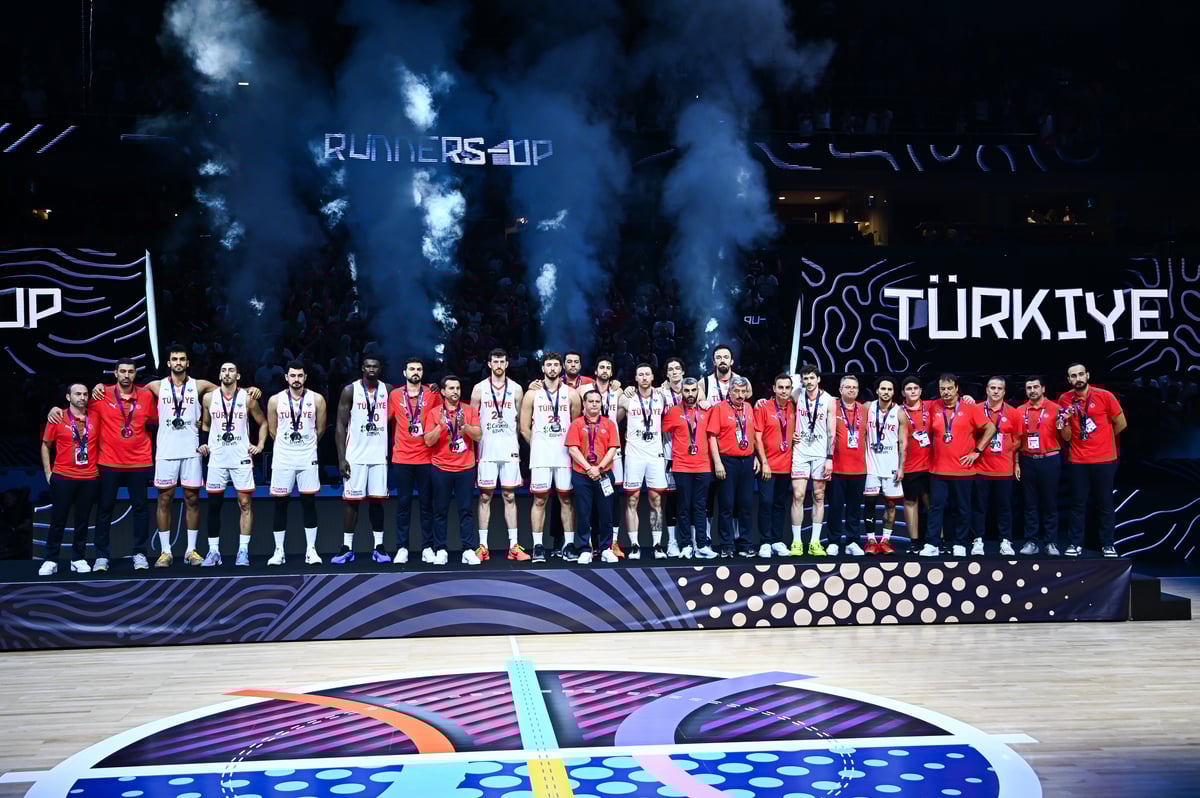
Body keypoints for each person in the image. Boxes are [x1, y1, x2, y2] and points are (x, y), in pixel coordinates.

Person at [50, 358, 157, 571]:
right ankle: (101, 556)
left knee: (141, 509)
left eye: (131, 371)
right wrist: (55, 408)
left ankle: (140, 553)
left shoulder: (146, 396)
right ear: (115, 373)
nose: (126, 375)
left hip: (138, 462)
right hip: (108, 462)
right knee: (105, 509)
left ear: (136, 374)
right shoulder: (101, 394)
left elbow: (155, 422)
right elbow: (76, 407)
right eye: (122, 371)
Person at [198, 362, 267, 566]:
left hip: (240, 457)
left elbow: (263, 422)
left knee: (245, 504)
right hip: (217, 457)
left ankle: (243, 551)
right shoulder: (209, 398)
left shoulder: (247, 398)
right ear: (219, 375)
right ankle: (213, 552)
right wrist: (203, 443)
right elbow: (205, 424)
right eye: (223, 370)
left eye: (231, 370)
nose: (227, 373)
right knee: (214, 505)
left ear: (238, 376)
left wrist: (260, 445)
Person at [1057, 363, 1127, 557]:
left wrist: (1104, 440)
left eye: (1081, 374)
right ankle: (1075, 544)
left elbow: (1121, 423)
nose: (1078, 378)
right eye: (1073, 376)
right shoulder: (1064, 399)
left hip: (1104, 459)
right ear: (1069, 380)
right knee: (1077, 504)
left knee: (1105, 503)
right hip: (1078, 460)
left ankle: (1108, 545)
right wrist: (1065, 421)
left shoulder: (1105, 396)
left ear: (1087, 375)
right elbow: (1066, 437)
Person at [923, 374, 995, 557]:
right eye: (942, 389)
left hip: (963, 470)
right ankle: (932, 544)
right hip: (938, 469)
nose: (946, 392)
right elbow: (912, 404)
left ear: (957, 389)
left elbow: (991, 428)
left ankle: (960, 544)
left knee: (963, 508)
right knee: (935, 508)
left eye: (949, 388)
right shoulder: (933, 406)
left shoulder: (969, 407)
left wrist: (977, 451)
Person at [520, 352, 580, 562]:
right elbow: (524, 428)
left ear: (561, 368)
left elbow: (575, 425)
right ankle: (537, 546)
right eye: (549, 365)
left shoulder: (571, 394)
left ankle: (569, 544)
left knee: (566, 498)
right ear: (543, 368)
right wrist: (538, 446)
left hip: (564, 455)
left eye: (556, 365)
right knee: (539, 499)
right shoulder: (532, 394)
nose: (552, 368)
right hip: (541, 456)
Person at [266, 361, 327, 565]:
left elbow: (320, 429)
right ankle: (278, 552)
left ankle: (311, 550)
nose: (296, 379)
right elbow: (273, 431)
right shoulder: (275, 400)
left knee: (309, 502)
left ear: (305, 377)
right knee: (280, 504)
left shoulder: (317, 399)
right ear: (286, 378)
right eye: (292, 375)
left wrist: (305, 444)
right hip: (283, 457)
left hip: (307, 456)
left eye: (300, 375)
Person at [333, 355, 392, 564]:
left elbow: (409, 399)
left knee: (377, 502)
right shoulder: (350, 390)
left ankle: (379, 547)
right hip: (355, 456)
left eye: (375, 366)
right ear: (362, 368)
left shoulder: (388, 390)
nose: (371, 369)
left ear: (380, 369)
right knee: (352, 502)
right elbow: (340, 425)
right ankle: (347, 547)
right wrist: (341, 458)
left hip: (379, 456)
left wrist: (431, 388)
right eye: (368, 366)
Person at [39, 383, 99, 575]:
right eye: (77, 394)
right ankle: (51, 559)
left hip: (89, 477)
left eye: (85, 394)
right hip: (63, 476)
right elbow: (45, 445)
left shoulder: (96, 417)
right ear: (68, 397)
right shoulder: (57, 417)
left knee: (82, 520)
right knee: (58, 520)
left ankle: (78, 558)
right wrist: (48, 473)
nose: (82, 397)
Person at [471, 348, 525, 561]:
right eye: (495, 361)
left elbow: (520, 421)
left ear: (507, 364)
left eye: (502, 361)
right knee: (485, 496)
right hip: (487, 449)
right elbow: (473, 420)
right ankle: (483, 546)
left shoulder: (517, 389)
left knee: (509, 496)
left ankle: (514, 546)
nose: (499, 365)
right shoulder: (479, 389)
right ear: (489, 364)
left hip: (509, 449)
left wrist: (515, 445)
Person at [424, 375, 484, 565]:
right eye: (451, 388)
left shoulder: (469, 410)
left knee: (465, 510)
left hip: (465, 468)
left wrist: (464, 425)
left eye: (457, 388)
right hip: (441, 468)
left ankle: (468, 549)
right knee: (440, 511)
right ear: (443, 391)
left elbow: (478, 436)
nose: (455, 391)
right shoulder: (434, 413)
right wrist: (441, 426)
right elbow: (428, 441)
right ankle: (440, 549)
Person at [391, 357, 441, 564]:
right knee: (403, 504)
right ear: (404, 372)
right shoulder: (394, 395)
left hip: (426, 458)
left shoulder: (432, 393)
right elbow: (385, 421)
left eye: (419, 369)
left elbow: (440, 419)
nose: (415, 372)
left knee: (426, 505)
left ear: (423, 372)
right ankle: (402, 548)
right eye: (411, 369)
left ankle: (427, 547)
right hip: (402, 457)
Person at [618, 364, 668, 559]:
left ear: (653, 377)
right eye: (641, 375)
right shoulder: (626, 397)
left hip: (655, 454)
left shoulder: (661, 396)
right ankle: (634, 545)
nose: (645, 377)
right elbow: (614, 420)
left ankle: (657, 544)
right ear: (636, 378)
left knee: (656, 499)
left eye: (647, 374)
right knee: (632, 499)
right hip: (634, 454)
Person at [566, 388, 621, 564]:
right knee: (583, 513)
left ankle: (605, 549)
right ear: (584, 403)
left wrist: (600, 467)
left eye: (598, 401)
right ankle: (584, 549)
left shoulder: (609, 424)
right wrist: (589, 467)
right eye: (591, 401)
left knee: (606, 514)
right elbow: (572, 449)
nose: (594, 404)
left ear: (601, 404)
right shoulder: (576, 424)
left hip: (604, 475)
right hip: (582, 475)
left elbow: (613, 448)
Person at [707, 376, 760, 557]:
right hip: (727, 461)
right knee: (726, 505)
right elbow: (712, 437)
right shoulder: (720, 408)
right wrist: (717, 462)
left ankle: (745, 543)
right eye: (736, 391)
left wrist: (755, 456)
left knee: (746, 504)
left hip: (747, 461)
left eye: (743, 391)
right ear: (729, 391)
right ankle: (727, 544)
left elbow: (751, 435)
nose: (740, 395)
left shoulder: (748, 408)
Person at [663, 377, 715, 558]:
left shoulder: (707, 410)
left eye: (693, 390)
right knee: (683, 507)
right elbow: (661, 433)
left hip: (704, 466)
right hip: (681, 466)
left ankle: (701, 544)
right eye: (687, 390)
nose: (690, 394)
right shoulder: (673, 412)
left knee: (700, 507)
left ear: (698, 391)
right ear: (681, 392)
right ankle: (686, 544)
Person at [788, 365, 835, 556]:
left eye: (811, 378)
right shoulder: (796, 394)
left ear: (818, 379)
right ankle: (797, 542)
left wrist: (830, 458)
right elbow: (780, 404)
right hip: (800, 452)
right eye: (805, 378)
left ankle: (815, 542)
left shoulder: (828, 400)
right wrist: (762, 401)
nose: (808, 382)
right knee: (798, 495)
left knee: (819, 496)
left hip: (820, 454)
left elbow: (831, 432)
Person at [1016, 376, 1065, 556]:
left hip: (1050, 459)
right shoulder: (1019, 411)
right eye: (1029, 388)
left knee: (1049, 503)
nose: (1032, 390)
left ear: (1043, 389)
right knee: (1029, 503)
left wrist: (1064, 424)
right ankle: (1031, 541)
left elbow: (1067, 437)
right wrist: (1016, 463)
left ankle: (1051, 542)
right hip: (1027, 459)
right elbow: (1015, 440)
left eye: (1036, 387)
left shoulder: (1056, 408)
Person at [971, 376, 1019, 556]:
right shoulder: (976, 409)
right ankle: (977, 540)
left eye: (999, 388)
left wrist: (1014, 461)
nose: (996, 391)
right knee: (979, 507)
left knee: (1004, 508)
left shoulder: (1013, 412)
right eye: (992, 388)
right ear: (986, 390)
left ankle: (1006, 541)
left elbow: (1018, 440)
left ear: (1004, 391)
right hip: (980, 468)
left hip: (1003, 469)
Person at [863, 377, 907, 554]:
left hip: (891, 466)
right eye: (883, 388)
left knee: (890, 504)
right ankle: (871, 540)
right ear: (877, 391)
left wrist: (901, 467)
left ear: (893, 392)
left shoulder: (899, 412)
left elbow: (902, 443)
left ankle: (885, 540)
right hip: (871, 465)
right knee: (870, 503)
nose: (886, 392)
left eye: (889, 389)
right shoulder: (868, 407)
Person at [754, 373, 796, 558]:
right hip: (768, 466)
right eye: (780, 387)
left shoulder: (794, 407)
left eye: (787, 388)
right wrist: (764, 463)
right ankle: (765, 542)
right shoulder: (764, 407)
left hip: (786, 466)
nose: (784, 391)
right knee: (766, 502)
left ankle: (777, 540)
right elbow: (757, 437)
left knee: (780, 504)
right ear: (774, 388)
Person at [827, 375, 867, 556]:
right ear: (840, 390)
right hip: (837, 467)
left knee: (854, 508)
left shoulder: (865, 409)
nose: (851, 390)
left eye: (854, 387)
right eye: (848, 387)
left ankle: (853, 541)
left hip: (859, 468)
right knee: (835, 507)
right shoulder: (831, 406)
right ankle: (833, 541)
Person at [593, 356, 624, 549]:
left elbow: (621, 415)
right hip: (591, 452)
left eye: (608, 368)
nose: (605, 370)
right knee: (592, 497)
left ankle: (613, 541)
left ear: (612, 373)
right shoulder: (584, 390)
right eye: (601, 367)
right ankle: (592, 542)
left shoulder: (618, 392)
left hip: (614, 452)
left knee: (613, 496)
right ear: (595, 371)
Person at [900, 376, 933, 554]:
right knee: (910, 502)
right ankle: (914, 542)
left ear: (920, 391)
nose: (912, 391)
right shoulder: (898, 411)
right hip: (909, 466)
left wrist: (968, 398)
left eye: (915, 388)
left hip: (932, 466)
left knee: (932, 504)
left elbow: (955, 402)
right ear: (903, 392)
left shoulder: (931, 406)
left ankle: (937, 540)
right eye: (908, 388)